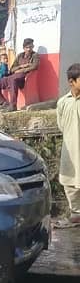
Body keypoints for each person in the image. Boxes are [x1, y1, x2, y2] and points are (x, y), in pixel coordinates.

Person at [54, 63, 80, 228]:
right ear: (72, 81)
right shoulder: (63, 102)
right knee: (70, 181)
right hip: (71, 148)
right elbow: (61, 125)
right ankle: (76, 213)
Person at [0, 37, 39, 111]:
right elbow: (12, 69)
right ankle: (4, 103)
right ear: (24, 48)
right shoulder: (20, 56)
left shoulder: (35, 55)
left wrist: (22, 70)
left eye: (31, 47)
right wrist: (21, 66)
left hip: (22, 79)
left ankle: (13, 106)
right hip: (12, 77)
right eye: (27, 47)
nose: (29, 49)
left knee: (13, 80)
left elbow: (34, 66)